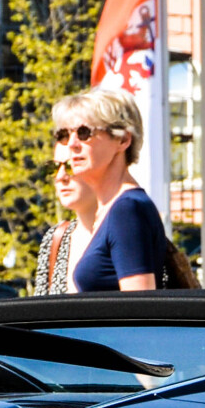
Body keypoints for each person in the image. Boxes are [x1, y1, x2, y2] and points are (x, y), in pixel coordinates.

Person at [53, 88, 169, 292]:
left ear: (123, 140)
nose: (72, 144)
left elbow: (142, 311)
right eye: (64, 135)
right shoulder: (113, 208)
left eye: (84, 132)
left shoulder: (127, 210)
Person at [30, 149, 82, 296]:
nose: (61, 176)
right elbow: (39, 309)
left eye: (71, 166)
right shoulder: (57, 236)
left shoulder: (120, 228)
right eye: (54, 167)